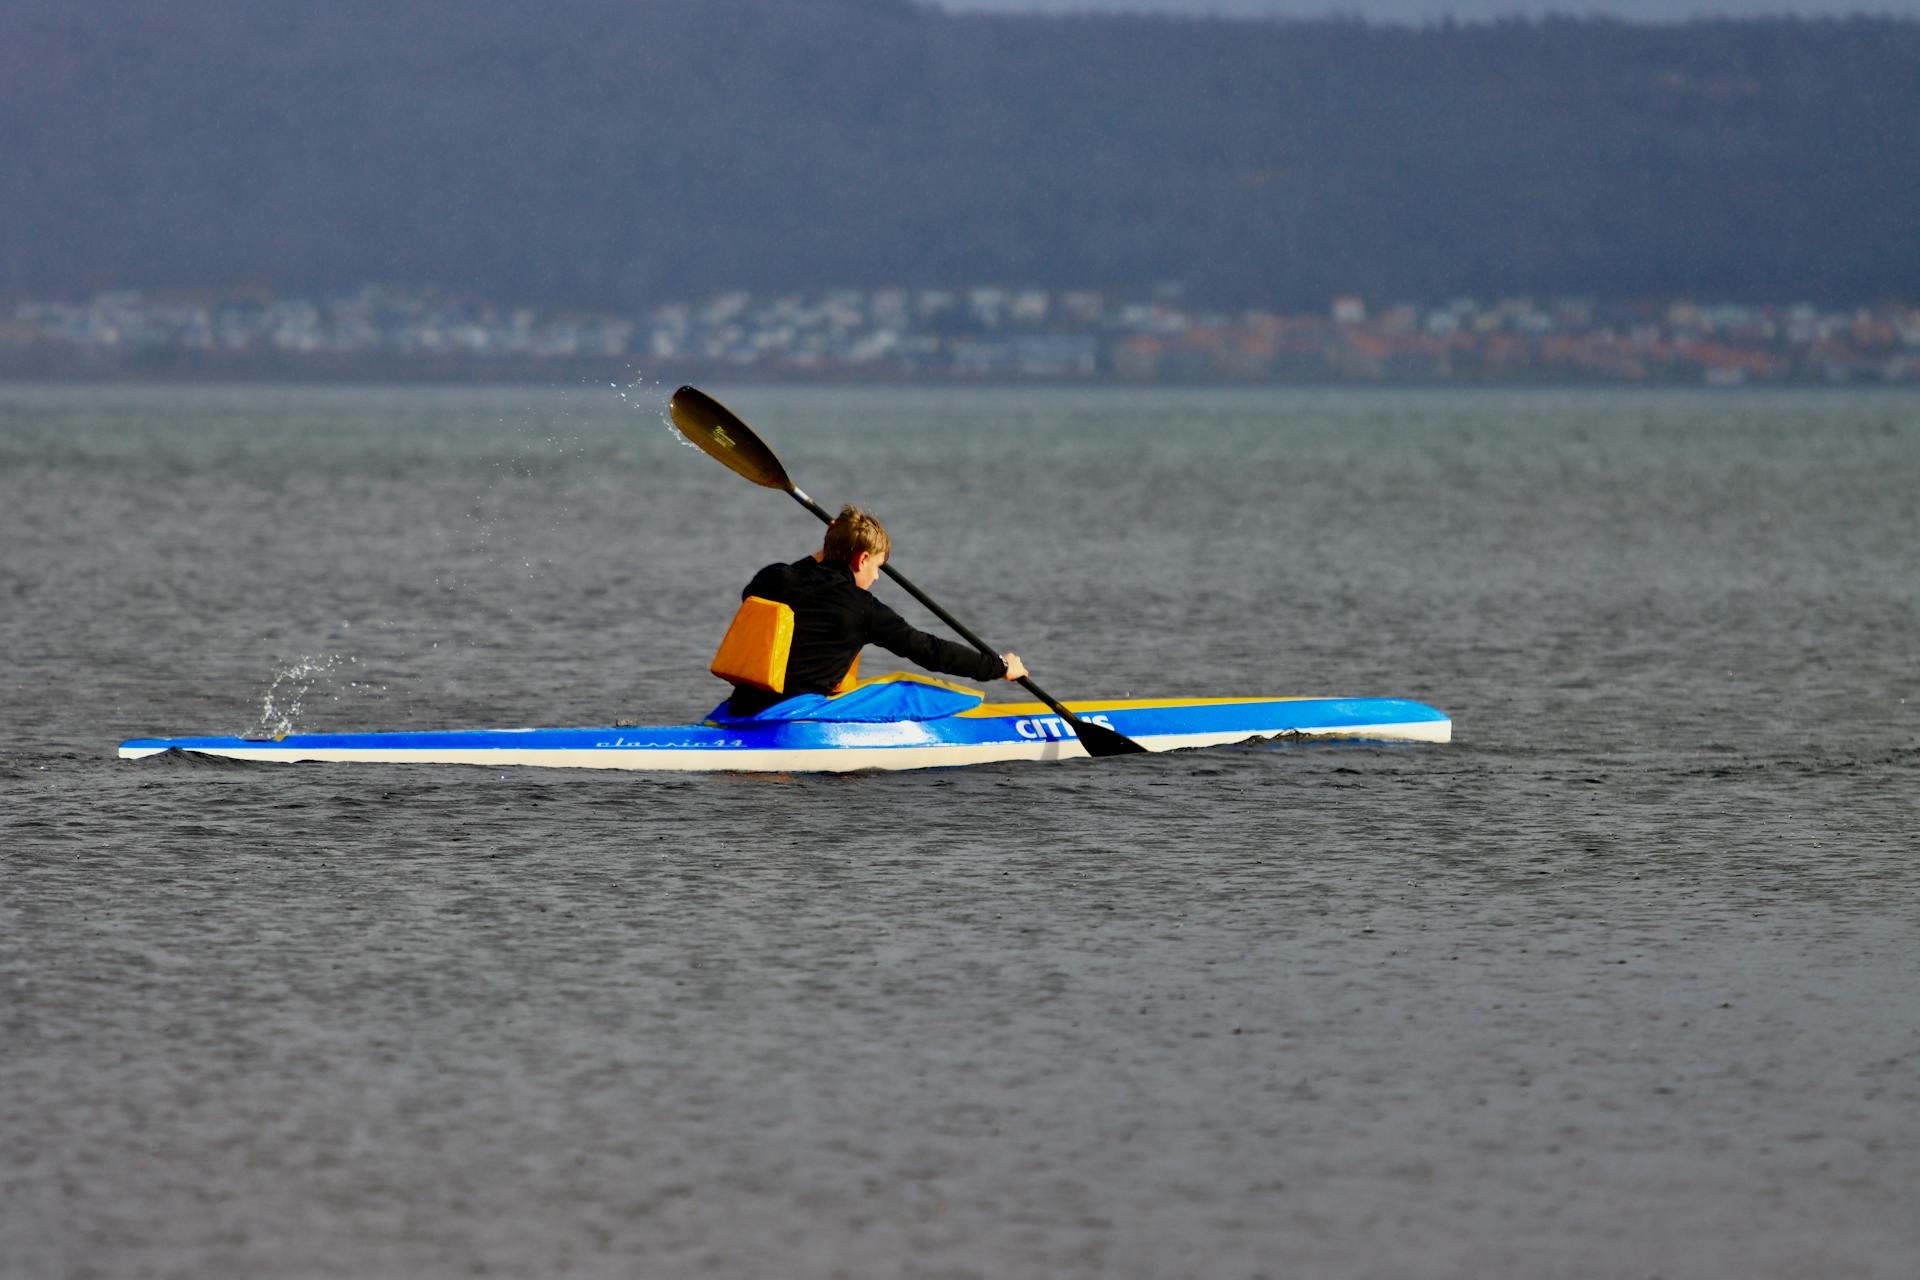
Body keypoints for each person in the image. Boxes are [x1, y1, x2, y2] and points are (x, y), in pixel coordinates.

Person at [724, 504, 1027, 717]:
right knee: (907, 688)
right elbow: (929, 651)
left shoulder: (776, 577)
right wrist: (998, 667)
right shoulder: (863, 609)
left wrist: (831, 550)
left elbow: (765, 586)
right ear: (862, 558)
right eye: (877, 566)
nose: (877, 577)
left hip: (743, 706)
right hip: (795, 714)